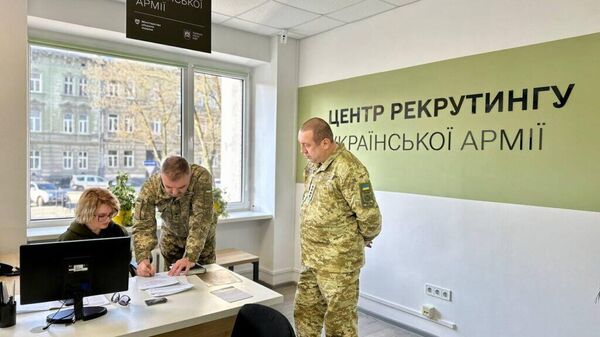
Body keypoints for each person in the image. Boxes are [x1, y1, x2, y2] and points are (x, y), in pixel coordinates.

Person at [294, 117, 382, 337]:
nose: (303, 151)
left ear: (325, 143)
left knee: (339, 326)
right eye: (301, 145)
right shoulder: (313, 166)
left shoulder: (350, 169)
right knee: (305, 315)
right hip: (312, 259)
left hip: (338, 264)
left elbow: (371, 218)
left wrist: (358, 238)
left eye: (307, 145)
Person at [132, 155, 215, 277]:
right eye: (169, 187)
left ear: (189, 176)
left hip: (201, 244)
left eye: (181, 187)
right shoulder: (151, 187)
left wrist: (190, 257)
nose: (175, 193)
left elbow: (201, 219)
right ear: (161, 177)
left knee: (204, 284)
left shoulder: (200, 178)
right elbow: (142, 225)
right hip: (171, 240)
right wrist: (142, 259)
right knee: (173, 284)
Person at [58, 187, 128, 241]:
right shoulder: (67, 239)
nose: (108, 220)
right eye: (101, 215)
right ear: (86, 214)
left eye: (110, 214)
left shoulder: (120, 232)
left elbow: (126, 258)